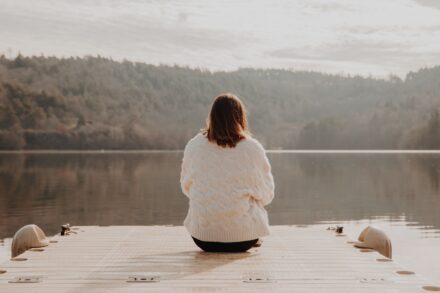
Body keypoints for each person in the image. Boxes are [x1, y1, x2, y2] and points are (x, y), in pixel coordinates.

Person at [180, 93, 275, 253]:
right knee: (254, 198)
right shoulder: (252, 148)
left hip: (203, 239)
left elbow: (186, 187)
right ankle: (245, 231)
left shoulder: (194, 145)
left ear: (211, 117)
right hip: (243, 239)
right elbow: (267, 195)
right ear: (240, 117)